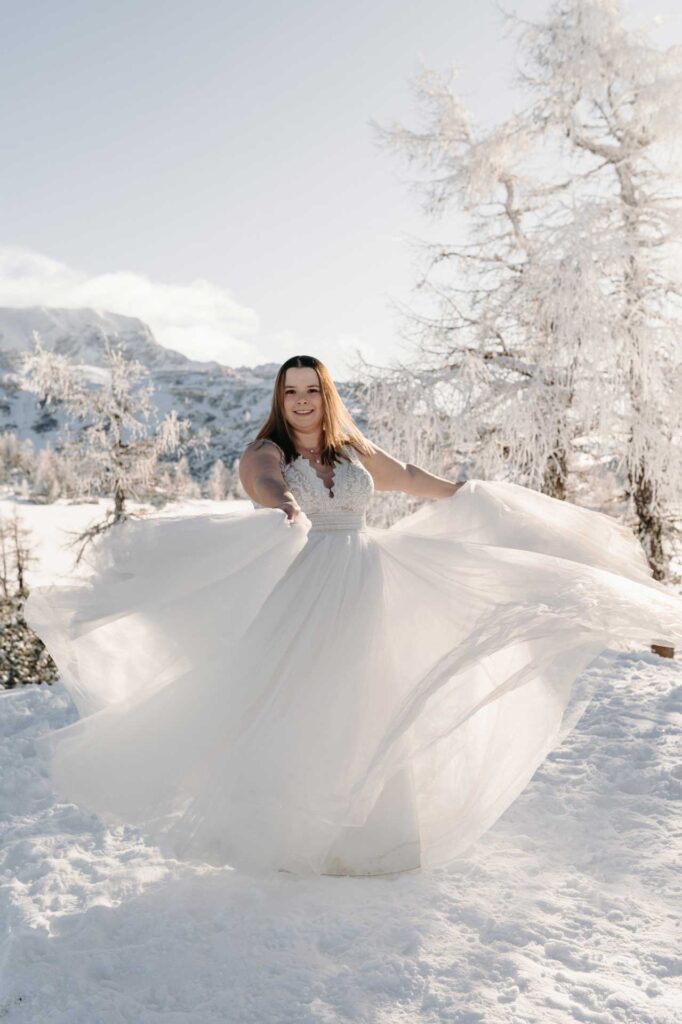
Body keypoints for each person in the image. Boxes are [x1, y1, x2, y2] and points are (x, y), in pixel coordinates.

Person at [25, 355, 682, 878]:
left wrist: (469, 495)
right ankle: (290, 837)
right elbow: (261, 481)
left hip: (369, 578)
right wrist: (282, 503)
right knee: (306, 700)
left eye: (312, 390)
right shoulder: (269, 452)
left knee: (373, 698)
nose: (302, 401)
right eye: (291, 392)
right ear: (279, 401)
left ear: (326, 394)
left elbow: (409, 475)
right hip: (314, 586)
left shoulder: (351, 452)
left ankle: (380, 844)